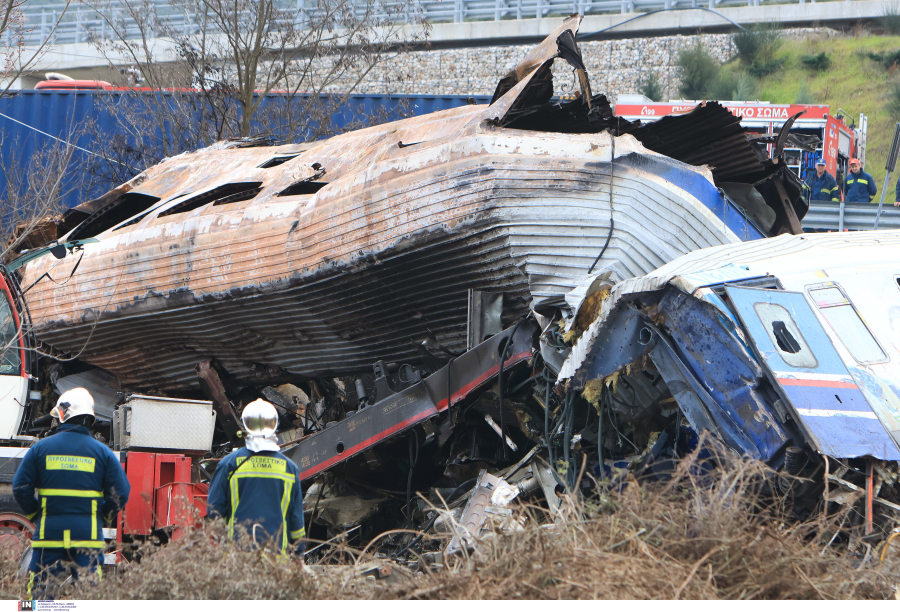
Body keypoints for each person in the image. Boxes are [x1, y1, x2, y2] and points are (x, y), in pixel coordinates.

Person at [13, 388, 130, 598]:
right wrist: (101, 517)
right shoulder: (103, 453)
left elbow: (20, 487)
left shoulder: (40, 449)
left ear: (63, 415)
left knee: (41, 596)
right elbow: (121, 492)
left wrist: (36, 516)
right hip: (87, 535)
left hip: (49, 534)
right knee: (89, 595)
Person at [207, 399, 305, 556]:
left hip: (239, 561)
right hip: (278, 562)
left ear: (245, 425)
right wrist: (299, 555)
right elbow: (296, 521)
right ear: (274, 425)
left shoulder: (229, 465)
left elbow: (214, 512)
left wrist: (224, 547)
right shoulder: (289, 468)